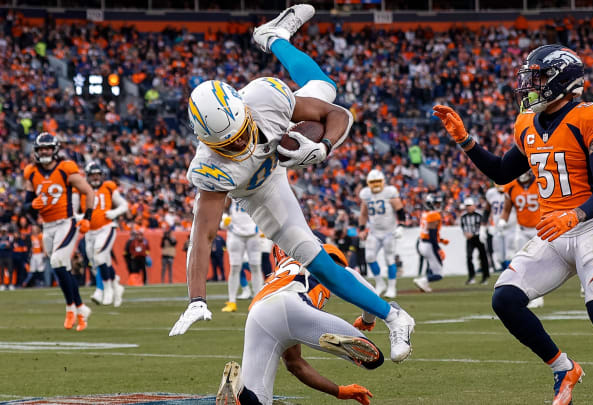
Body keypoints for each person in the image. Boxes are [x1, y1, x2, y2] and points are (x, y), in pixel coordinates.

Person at [169, 4, 414, 364]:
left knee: (327, 92)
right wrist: (197, 299)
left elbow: (339, 116)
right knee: (313, 258)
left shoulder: (264, 99)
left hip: (280, 152)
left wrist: (322, 148)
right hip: (259, 190)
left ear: (243, 109)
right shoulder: (210, 168)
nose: (238, 145)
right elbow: (202, 234)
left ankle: (273, 38)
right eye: (227, 144)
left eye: (239, 135)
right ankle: (394, 314)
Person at [434, 44, 593, 405]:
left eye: (537, 78)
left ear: (562, 80)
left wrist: (577, 213)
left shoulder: (592, 116)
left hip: (589, 227)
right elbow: (502, 172)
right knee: (505, 298)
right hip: (553, 232)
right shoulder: (527, 123)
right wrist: (465, 141)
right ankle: (563, 366)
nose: (528, 86)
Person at [215, 244, 381, 405]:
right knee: (374, 359)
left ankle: (239, 392)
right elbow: (370, 295)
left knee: (259, 400)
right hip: (294, 302)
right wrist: (367, 320)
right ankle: (335, 341)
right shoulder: (319, 257)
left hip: (258, 314)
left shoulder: (276, 275)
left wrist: (339, 391)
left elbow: (295, 364)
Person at [22, 133, 94, 330]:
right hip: (47, 226)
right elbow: (25, 206)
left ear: (54, 149)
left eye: (47, 148)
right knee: (61, 268)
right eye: (41, 149)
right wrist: (32, 205)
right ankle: (80, 309)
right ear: (36, 151)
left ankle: (70, 308)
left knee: (57, 262)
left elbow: (88, 191)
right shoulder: (31, 172)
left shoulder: (65, 169)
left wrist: (87, 218)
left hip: (66, 223)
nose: (44, 151)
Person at [82, 161, 127, 307]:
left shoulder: (108, 187)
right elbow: (74, 209)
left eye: (97, 175)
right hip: (89, 232)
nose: (95, 178)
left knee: (99, 256)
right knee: (98, 263)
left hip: (106, 228)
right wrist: (78, 218)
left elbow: (124, 205)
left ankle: (106, 289)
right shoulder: (82, 190)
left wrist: (114, 212)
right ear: (87, 176)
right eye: (92, 175)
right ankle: (116, 285)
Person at [358, 169, 406, 298]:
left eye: (378, 181)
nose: (375, 184)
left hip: (389, 232)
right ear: (368, 183)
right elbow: (363, 213)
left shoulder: (389, 192)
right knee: (369, 257)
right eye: (372, 182)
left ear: (383, 181)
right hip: (374, 232)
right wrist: (361, 229)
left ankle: (392, 287)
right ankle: (380, 283)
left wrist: (401, 226)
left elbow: (400, 210)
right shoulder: (366, 194)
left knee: (389, 258)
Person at [501, 170, 544, 308]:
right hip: (522, 230)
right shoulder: (511, 187)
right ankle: (527, 294)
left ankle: (538, 296)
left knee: (540, 262)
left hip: (541, 229)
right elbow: (507, 209)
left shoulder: (540, 183)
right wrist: (503, 221)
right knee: (523, 263)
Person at [220, 199, 262, 313]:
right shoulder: (232, 188)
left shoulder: (255, 188)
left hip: (253, 232)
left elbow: (264, 207)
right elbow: (225, 206)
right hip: (235, 232)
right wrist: (224, 218)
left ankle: (258, 301)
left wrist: (263, 224)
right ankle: (232, 301)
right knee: (235, 267)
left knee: (256, 267)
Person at [413, 194, 447, 293]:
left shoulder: (425, 213)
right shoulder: (433, 215)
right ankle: (423, 280)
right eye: (436, 203)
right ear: (430, 204)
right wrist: (438, 248)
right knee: (439, 274)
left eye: (439, 203)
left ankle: (425, 284)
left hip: (422, 243)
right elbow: (432, 235)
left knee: (432, 266)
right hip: (428, 244)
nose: (438, 205)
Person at [459, 197, 489, 285]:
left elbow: (483, 226)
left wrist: (474, 233)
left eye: (470, 206)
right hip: (470, 239)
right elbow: (463, 227)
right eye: (467, 206)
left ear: (473, 206)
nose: (468, 207)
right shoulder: (463, 217)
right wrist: (465, 233)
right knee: (469, 257)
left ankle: (485, 277)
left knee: (483, 257)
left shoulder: (479, 215)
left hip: (479, 238)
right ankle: (471, 277)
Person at [486, 183, 513, 271]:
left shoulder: (511, 191)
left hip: (510, 227)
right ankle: (505, 271)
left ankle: (510, 272)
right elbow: (487, 210)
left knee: (510, 253)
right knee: (499, 256)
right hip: (497, 228)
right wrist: (484, 226)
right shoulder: (491, 193)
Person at [0, 225, 13, 290]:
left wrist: (5, 245)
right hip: (1, 256)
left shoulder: (9, 237)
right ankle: (2, 284)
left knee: (10, 270)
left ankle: (10, 284)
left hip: (8, 256)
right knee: (1, 271)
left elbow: (10, 246)